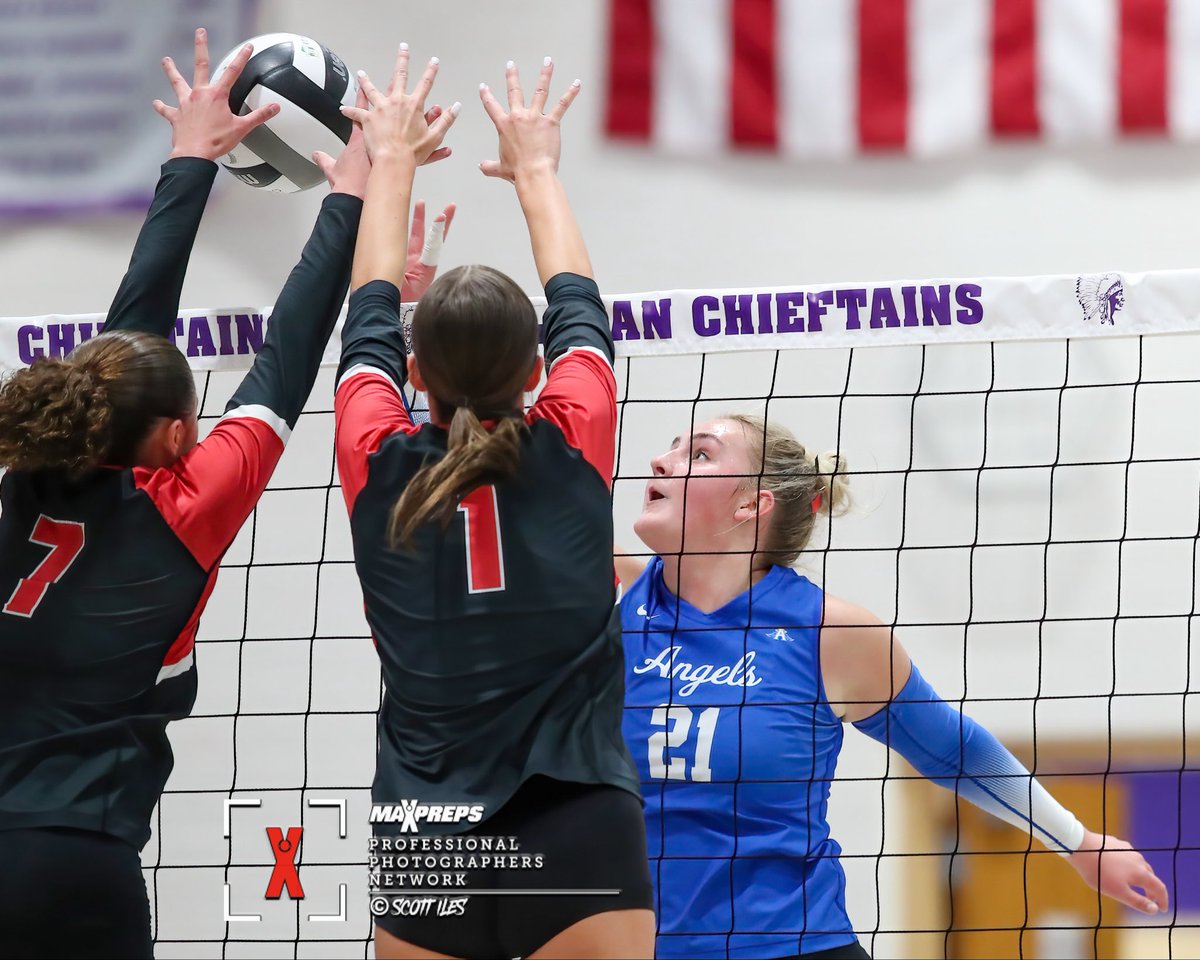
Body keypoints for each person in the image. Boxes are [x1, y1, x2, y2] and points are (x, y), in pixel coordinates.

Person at [0, 29, 450, 957]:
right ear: (175, 438)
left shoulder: (30, 472)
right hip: (72, 864)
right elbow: (287, 357)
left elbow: (128, 342)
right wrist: (353, 197)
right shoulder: (183, 506)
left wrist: (189, 160)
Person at [616, 414, 1169, 959]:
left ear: (751, 504)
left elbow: (954, 748)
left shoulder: (830, 632)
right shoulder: (606, 603)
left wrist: (1078, 841)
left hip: (790, 944)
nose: (661, 461)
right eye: (673, 448)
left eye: (700, 454)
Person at [334, 49, 654, 960]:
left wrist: (388, 161)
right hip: (576, 817)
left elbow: (365, 316)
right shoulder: (573, 437)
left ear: (414, 373)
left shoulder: (376, 456)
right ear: (536, 374)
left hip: (425, 830)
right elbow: (579, 303)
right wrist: (537, 169)